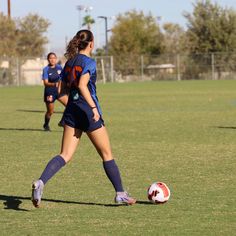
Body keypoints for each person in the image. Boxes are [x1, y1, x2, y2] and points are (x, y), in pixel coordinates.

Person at [31, 30, 136, 207]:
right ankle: (120, 194)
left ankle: (41, 182)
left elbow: (60, 92)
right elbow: (82, 85)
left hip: (72, 111)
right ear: (91, 44)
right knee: (106, 154)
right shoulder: (89, 62)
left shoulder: (69, 63)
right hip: (88, 112)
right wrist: (92, 108)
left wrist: (73, 106)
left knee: (65, 154)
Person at [42, 52, 68, 131]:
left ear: (56, 59)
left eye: (54, 58)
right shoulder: (46, 69)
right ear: (48, 59)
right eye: (50, 58)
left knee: (69, 105)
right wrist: (54, 84)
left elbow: (63, 78)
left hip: (60, 91)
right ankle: (46, 125)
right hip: (49, 92)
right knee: (50, 111)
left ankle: (63, 121)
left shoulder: (59, 67)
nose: (52, 60)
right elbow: (45, 82)